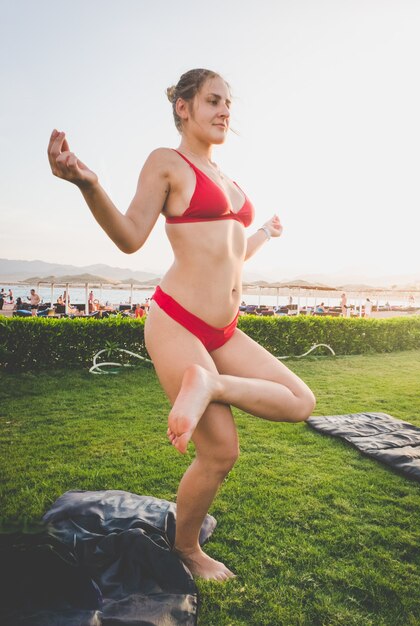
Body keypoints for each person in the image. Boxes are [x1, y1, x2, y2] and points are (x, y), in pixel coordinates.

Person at [47, 68, 316, 582]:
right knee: (221, 452)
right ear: (183, 107)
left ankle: (211, 382)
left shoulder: (229, 180)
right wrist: (89, 183)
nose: (225, 111)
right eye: (214, 100)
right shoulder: (166, 162)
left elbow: (229, 256)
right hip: (177, 322)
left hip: (224, 330)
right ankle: (188, 549)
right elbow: (129, 236)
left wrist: (262, 233)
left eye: (229, 103)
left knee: (301, 402)